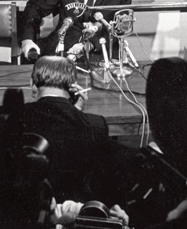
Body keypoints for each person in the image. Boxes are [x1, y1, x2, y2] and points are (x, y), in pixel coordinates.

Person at [9, 56, 117, 203]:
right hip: (75, 212)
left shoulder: (12, 117)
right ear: (74, 88)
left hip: (25, 205)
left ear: (32, 84)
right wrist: (75, 112)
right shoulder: (96, 125)